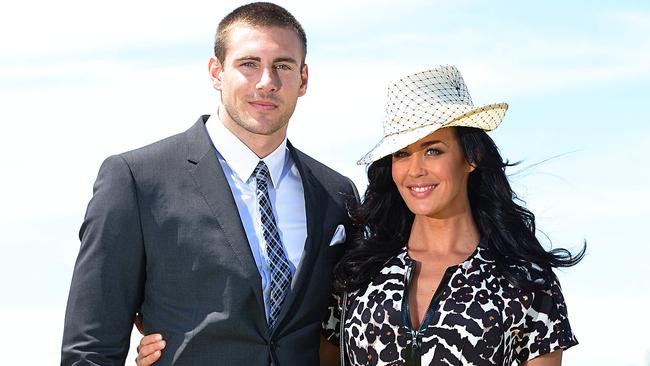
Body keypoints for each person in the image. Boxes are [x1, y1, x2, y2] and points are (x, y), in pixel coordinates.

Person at [136, 66, 584, 364]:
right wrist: (177, 342)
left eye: (434, 150)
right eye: (402, 154)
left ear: (471, 157)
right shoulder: (358, 269)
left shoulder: (527, 282)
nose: (416, 170)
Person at [61, 2, 357, 365]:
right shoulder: (137, 180)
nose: (267, 81)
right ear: (216, 72)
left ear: (304, 79)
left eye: (283, 65)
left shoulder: (336, 193)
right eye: (249, 64)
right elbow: (90, 348)